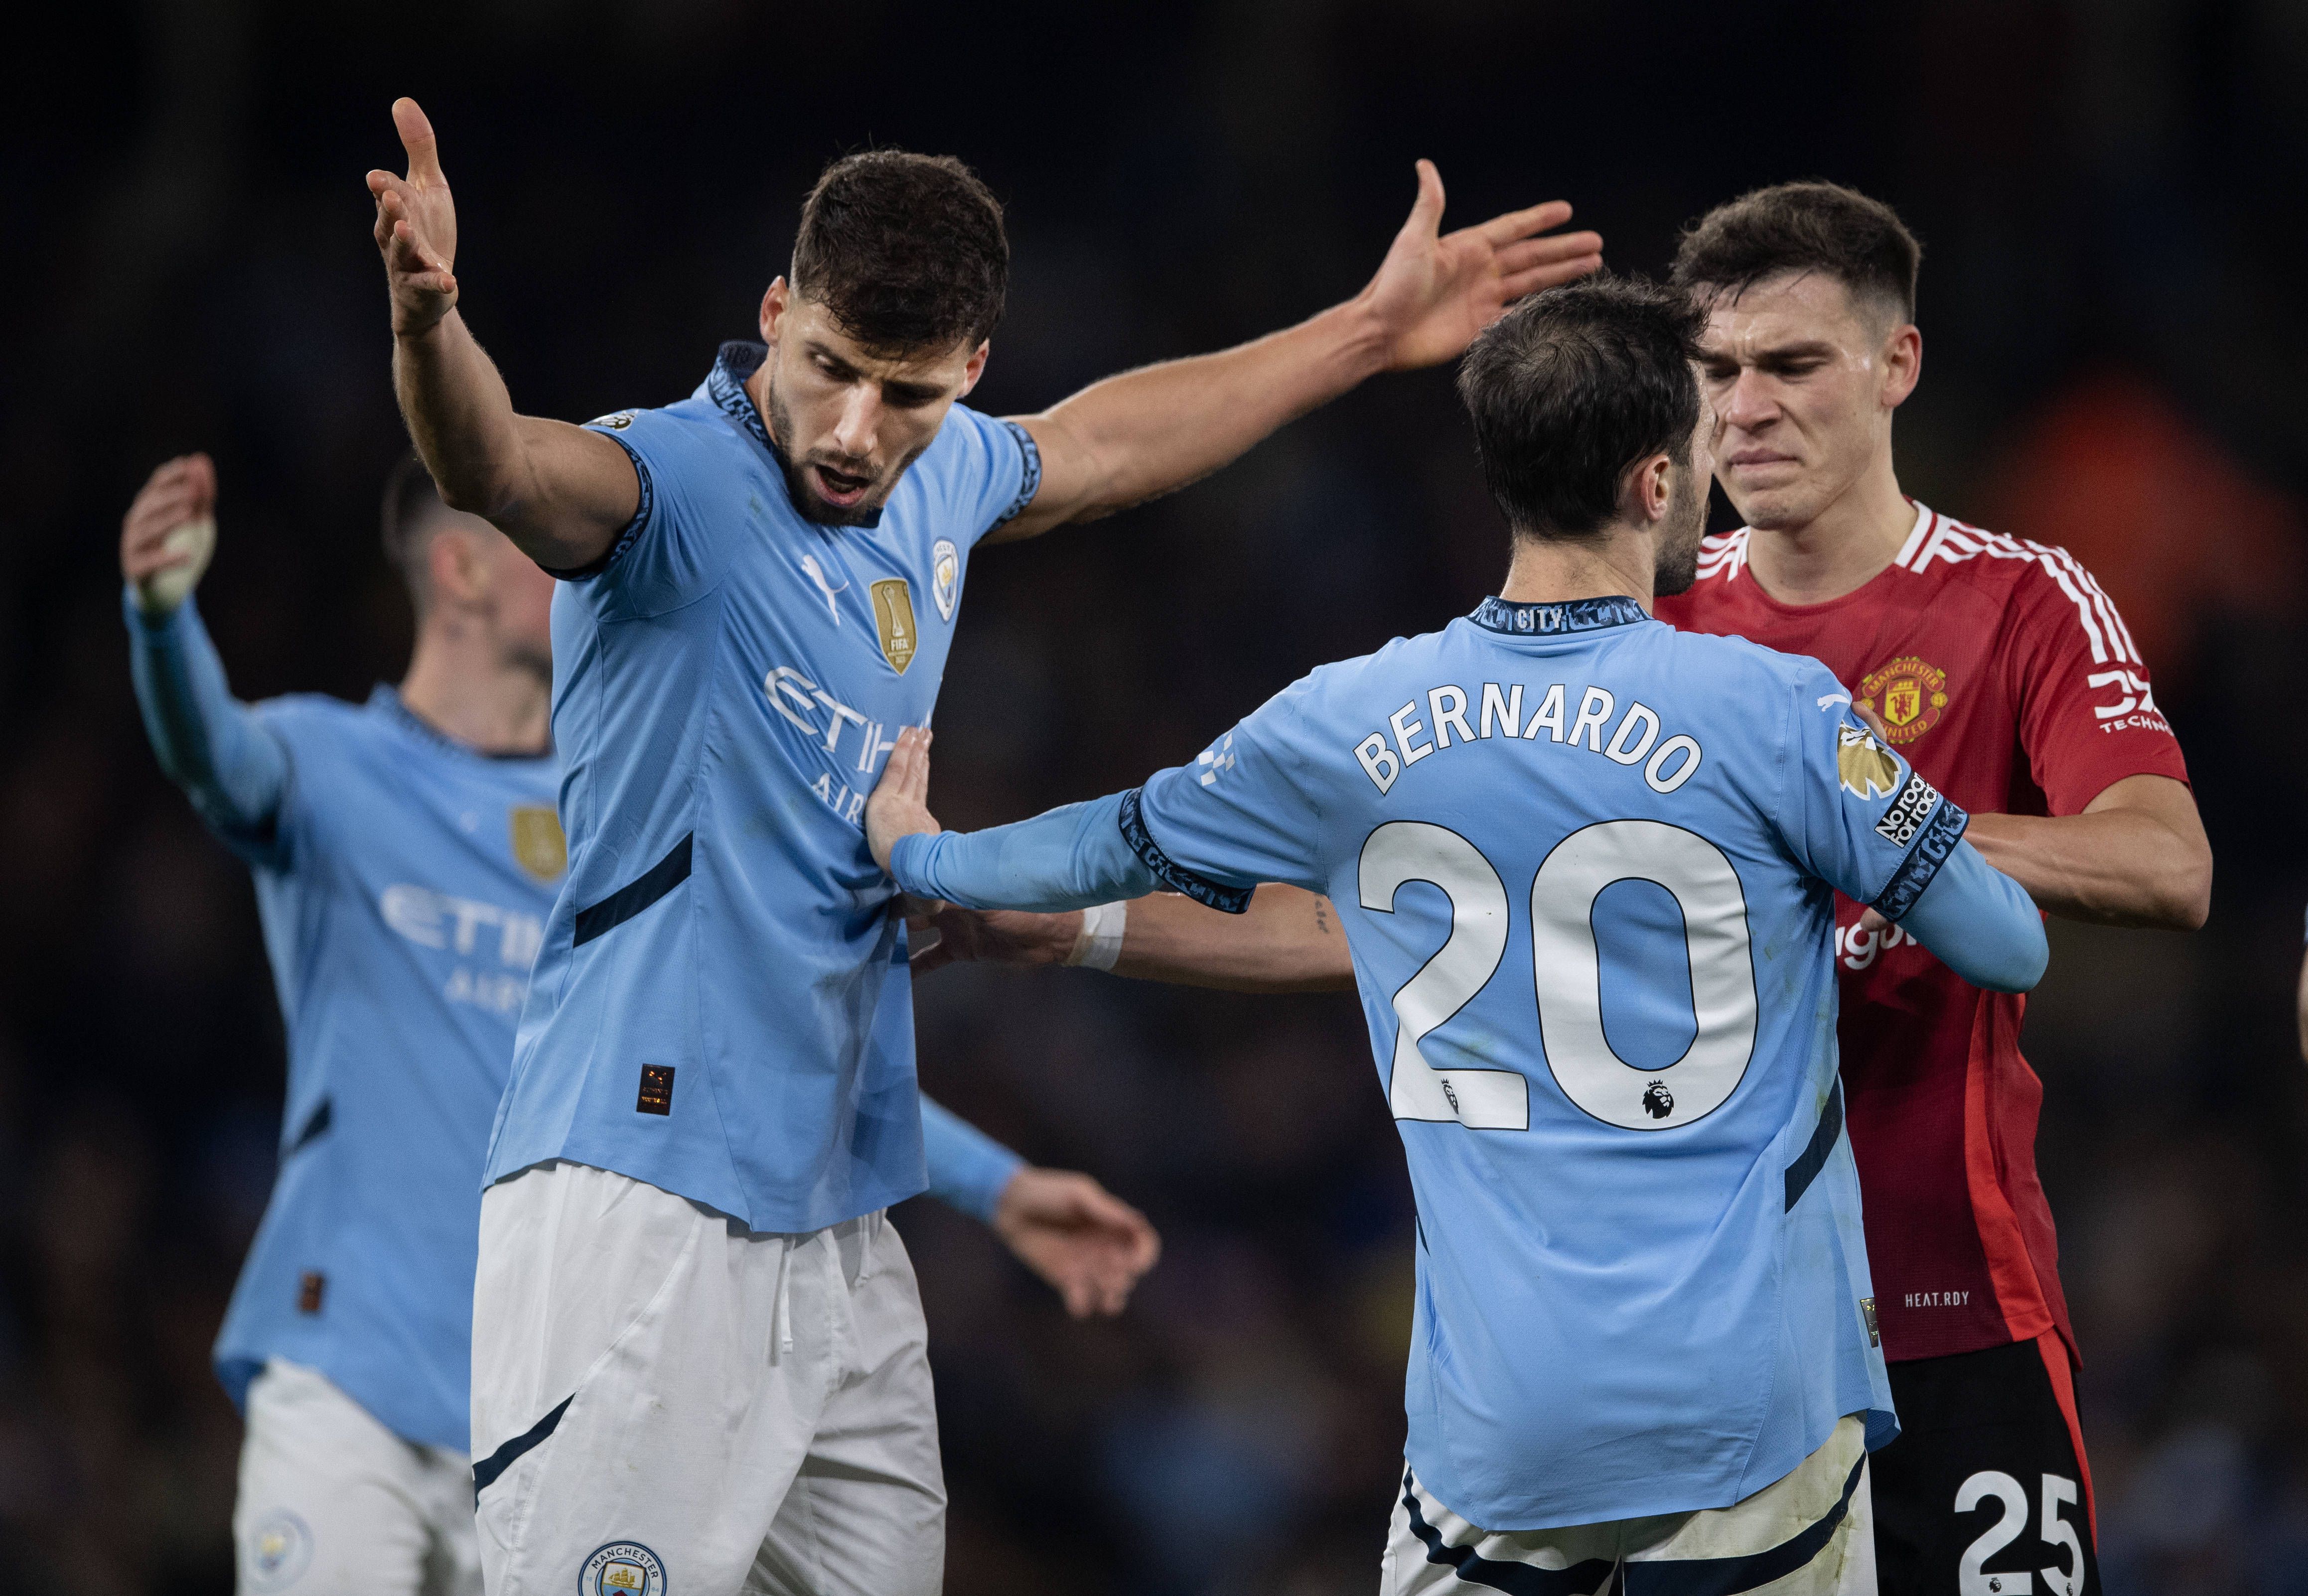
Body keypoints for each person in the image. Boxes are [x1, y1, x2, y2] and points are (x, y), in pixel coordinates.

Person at [363, 88, 1605, 1595]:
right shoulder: (670, 486)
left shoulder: (940, 472)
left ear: (969, 370)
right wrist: (432, 327)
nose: (849, 428)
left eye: (903, 391)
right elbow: (501, 464)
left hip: (838, 1211)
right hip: (644, 1196)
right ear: (773, 315)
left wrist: (1357, 332)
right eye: (823, 368)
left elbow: (1099, 442)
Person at [869, 275, 2051, 1592]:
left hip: (1503, 1426)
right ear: (1658, 483)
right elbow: (2005, 943)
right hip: (1747, 1404)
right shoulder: (1775, 706)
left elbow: (1096, 844)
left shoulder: (1342, 718)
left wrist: (926, 849)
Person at [120, 451, 1160, 1596]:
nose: (581, 568)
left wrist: (999, 1190)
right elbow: (209, 757)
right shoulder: (331, 764)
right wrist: (162, 619)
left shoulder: (613, 809)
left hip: (520, 1376)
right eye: (543, 546)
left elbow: (747, 1051)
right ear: (461, 568)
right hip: (346, 1363)